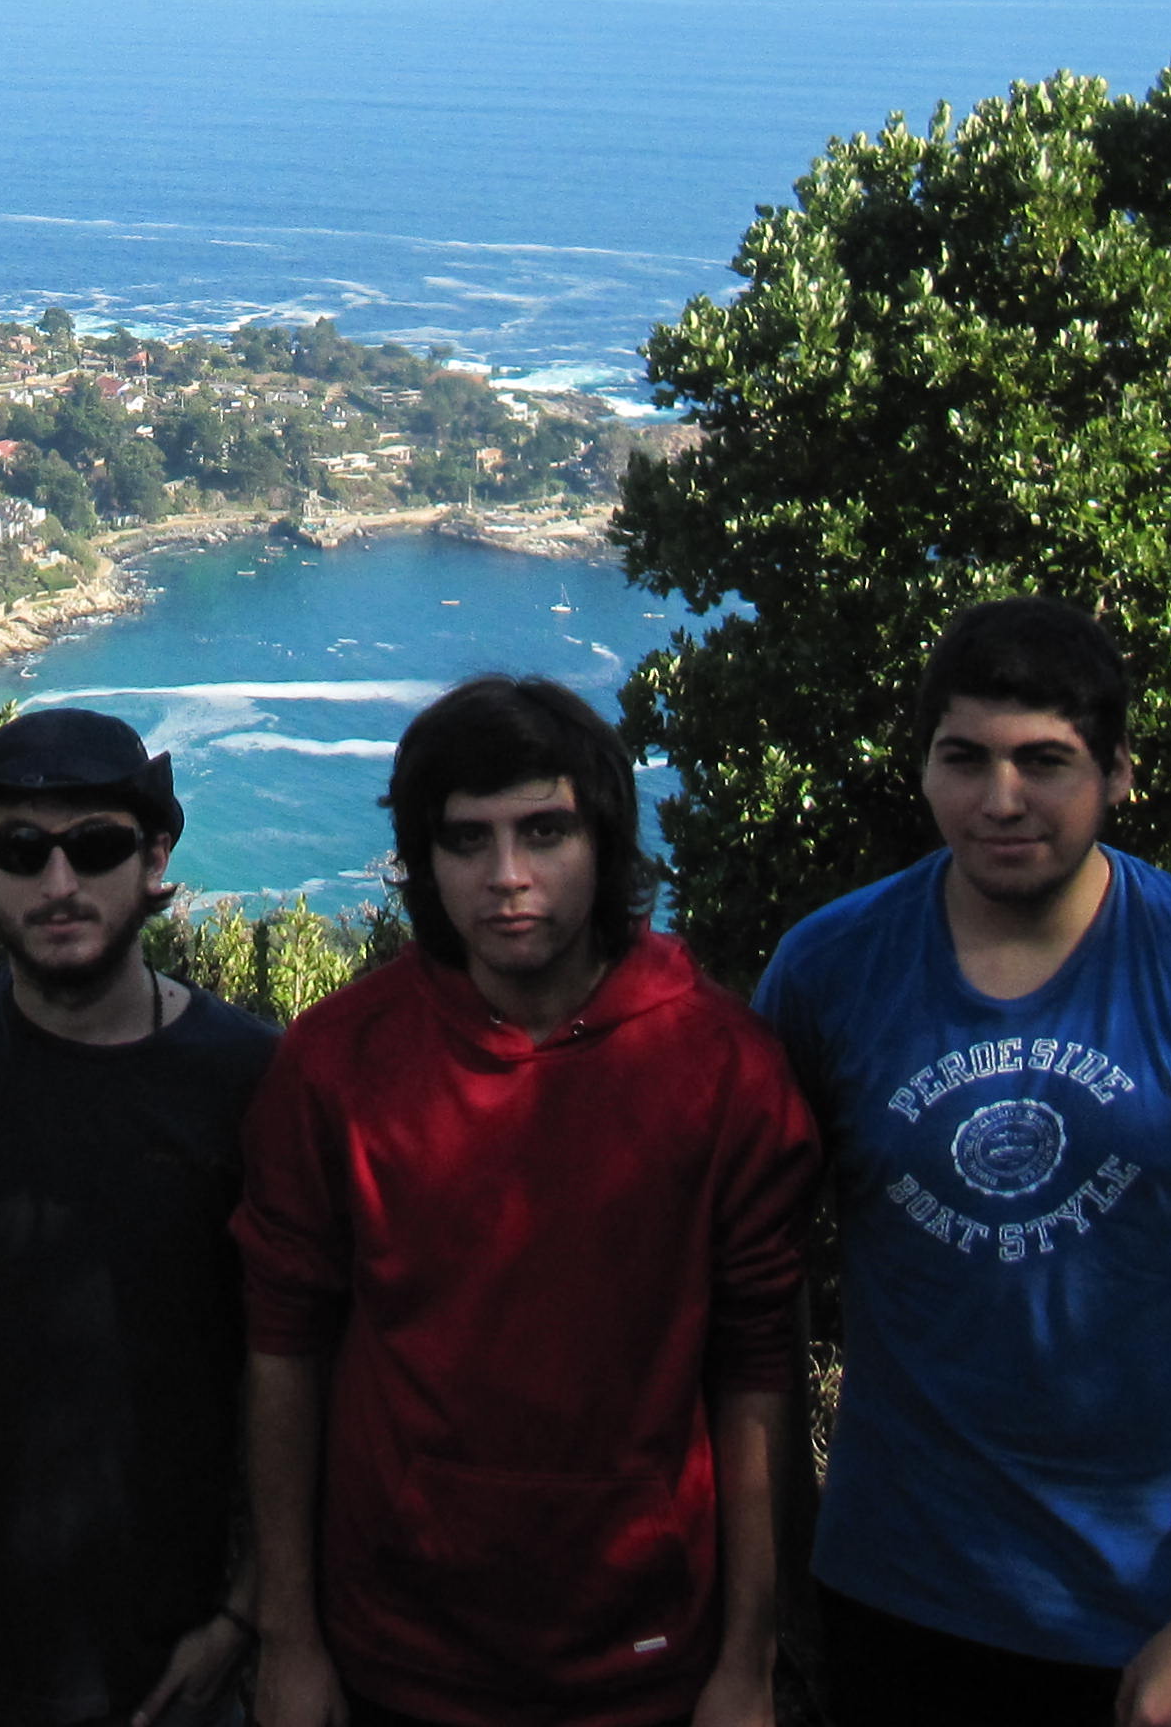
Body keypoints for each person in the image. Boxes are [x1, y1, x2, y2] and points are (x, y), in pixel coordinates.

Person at [755, 598, 1171, 1727]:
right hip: (907, 1601)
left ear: (1118, 774)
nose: (1001, 799)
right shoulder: (830, 971)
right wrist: (780, 1577)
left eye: (1045, 761)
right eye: (963, 759)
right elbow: (759, 1284)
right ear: (923, 768)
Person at [234, 677, 816, 1727]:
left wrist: (749, 1660)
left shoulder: (723, 1067)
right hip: (391, 1653)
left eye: (545, 831)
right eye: (467, 840)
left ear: (606, 842)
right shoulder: (336, 1063)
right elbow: (284, 1348)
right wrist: (289, 1637)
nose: (508, 877)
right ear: (423, 863)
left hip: (648, 1656)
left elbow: (755, 1368)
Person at [0, 708, 277, 1727]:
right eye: (19, 850)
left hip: (160, 1669)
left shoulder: (250, 1079)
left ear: (155, 859)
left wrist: (247, 1610)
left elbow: (301, 1362)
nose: (57, 883)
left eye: (94, 847)